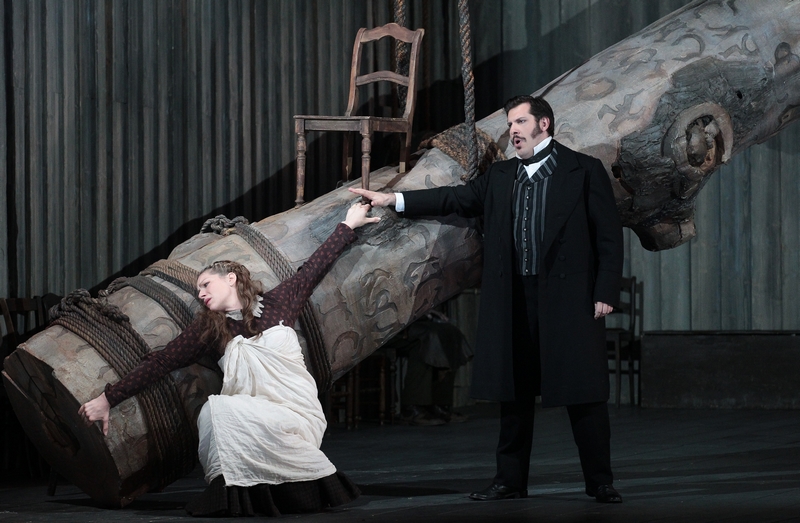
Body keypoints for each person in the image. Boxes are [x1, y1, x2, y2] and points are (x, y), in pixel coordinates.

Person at [350, 95, 625, 504]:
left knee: (583, 392)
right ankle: (509, 480)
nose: (512, 131)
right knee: (514, 394)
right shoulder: (500, 175)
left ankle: (600, 481)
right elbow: (454, 198)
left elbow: (608, 236)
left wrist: (604, 291)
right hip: (514, 297)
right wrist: (395, 200)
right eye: (510, 124)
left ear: (544, 124)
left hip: (569, 298)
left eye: (520, 122)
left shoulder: (583, 170)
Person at [79, 202, 379, 517]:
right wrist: (107, 399)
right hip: (252, 414)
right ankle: (241, 498)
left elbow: (315, 267)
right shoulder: (210, 331)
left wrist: (348, 224)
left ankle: (304, 483)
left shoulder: (279, 303)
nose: (200, 294)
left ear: (231, 278)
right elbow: (160, 363)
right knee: (215, 411)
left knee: (220, 410)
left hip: (296, 411)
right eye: (198, 290)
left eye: (206, 284)